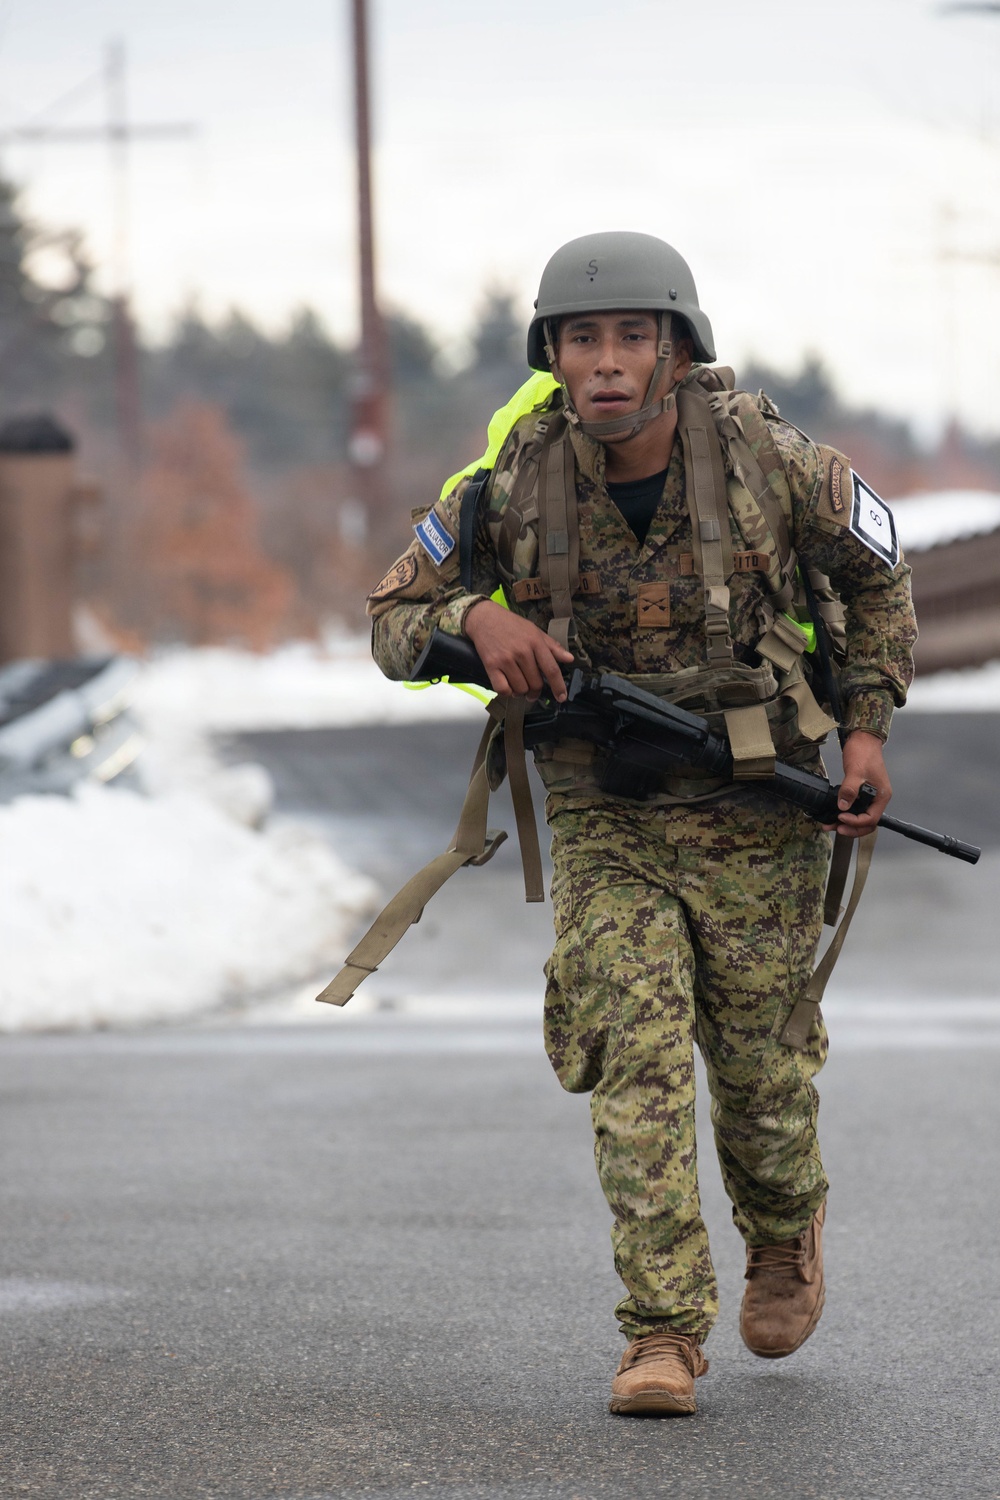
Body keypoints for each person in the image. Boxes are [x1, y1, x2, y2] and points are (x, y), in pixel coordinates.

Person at [366, 231, 916, 1416]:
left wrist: (863, 729)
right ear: (553, 356)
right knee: (636, 1051)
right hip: (604, 805)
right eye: (580, 341)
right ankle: (660, 1332)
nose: (604, 363)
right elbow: (392, 620)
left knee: (761, 1068)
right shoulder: (510, 482)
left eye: (629, 338)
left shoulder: (770, 459)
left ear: (675, 350)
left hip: (756, 793)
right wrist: (476, 613)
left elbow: (877, 577)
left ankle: (782, 1228)